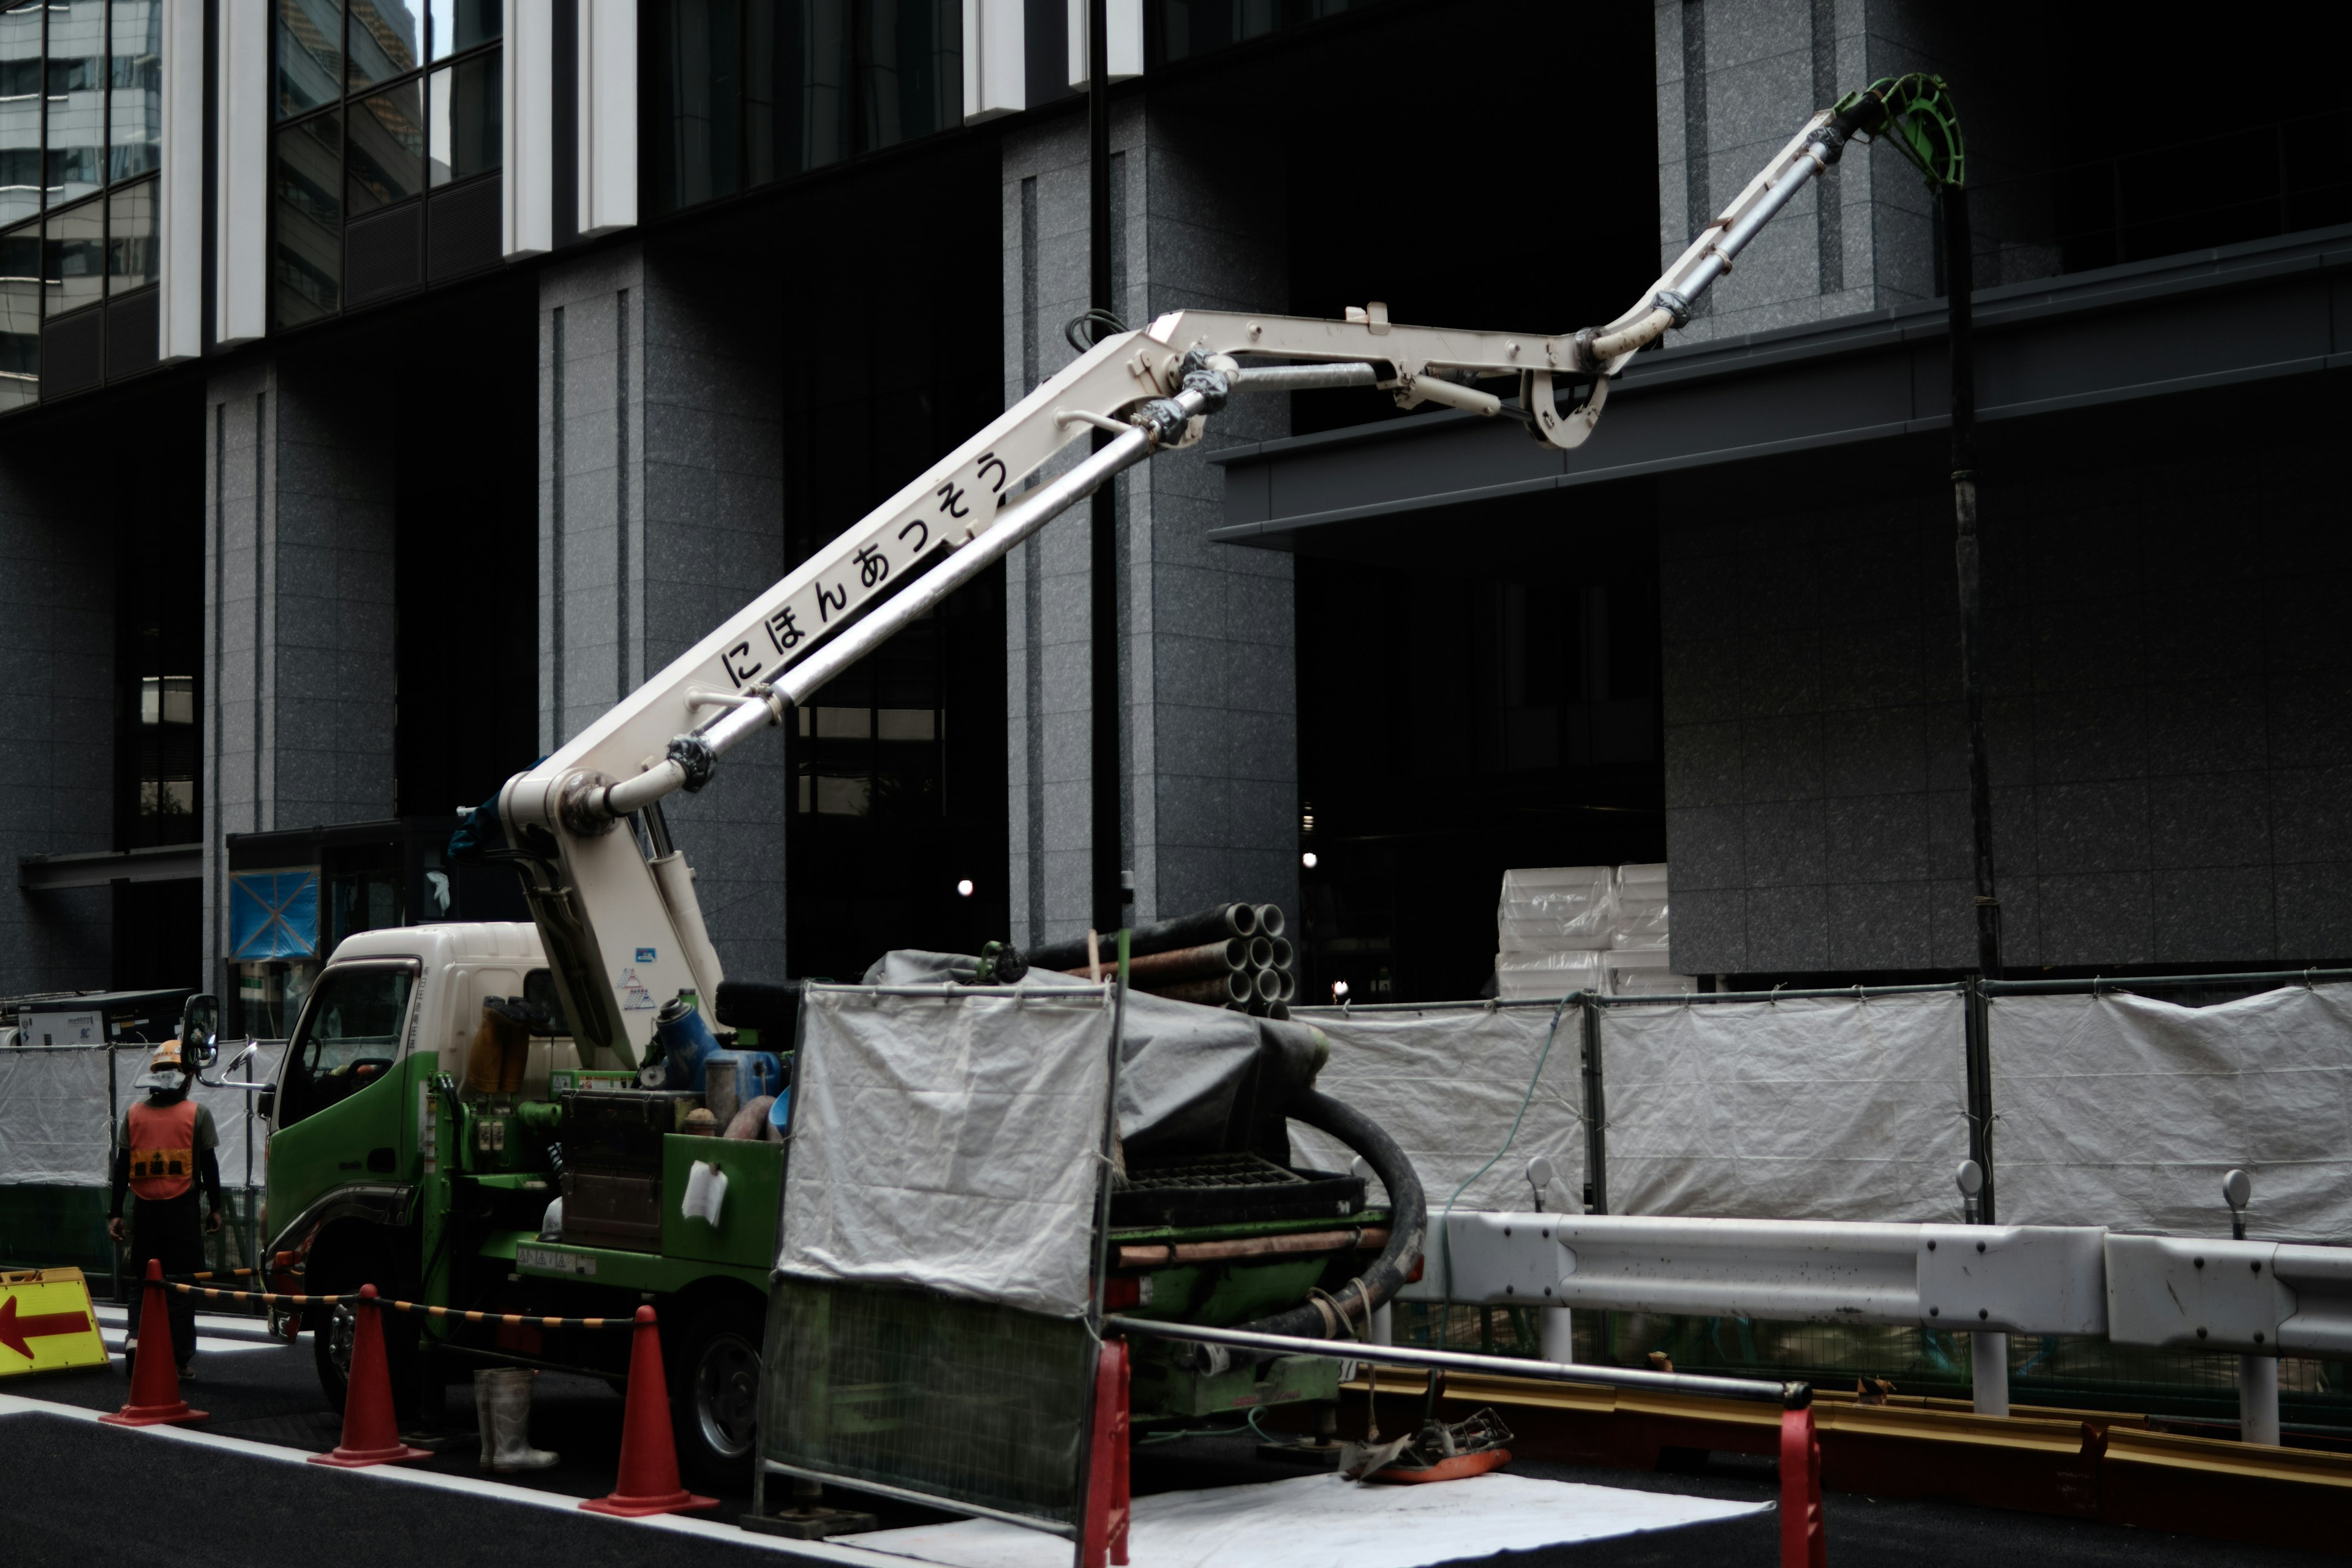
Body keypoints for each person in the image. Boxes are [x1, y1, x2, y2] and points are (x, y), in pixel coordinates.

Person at [106, 1039, 225, 1378]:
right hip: (183, 1212)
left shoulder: (134, 1115)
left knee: (143, 1281)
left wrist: (115, 1212)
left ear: (153, 1075)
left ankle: (135, 1339)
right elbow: (209, 1166)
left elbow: (122, 1167)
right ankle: (178, 1358)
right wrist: (215, 1207)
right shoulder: (196, 1113)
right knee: (181, 1285)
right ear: (187, 1077)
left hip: (144, 1210)